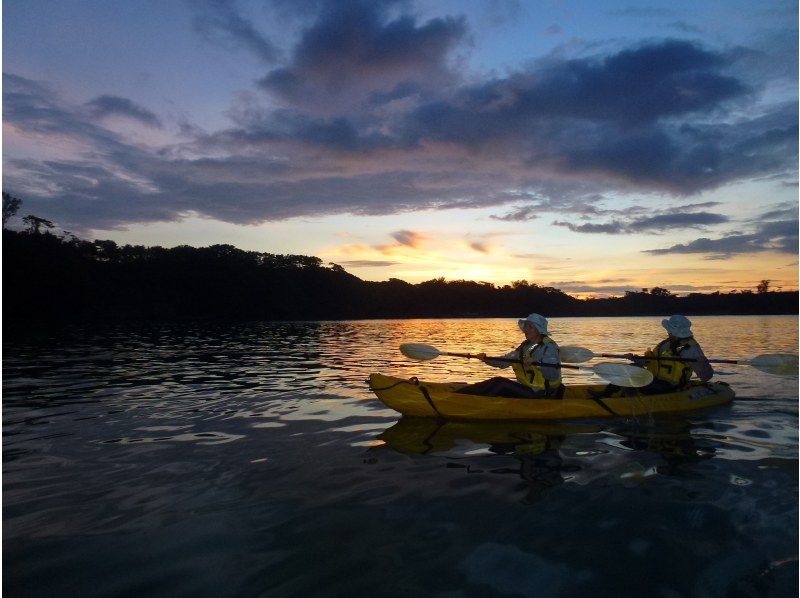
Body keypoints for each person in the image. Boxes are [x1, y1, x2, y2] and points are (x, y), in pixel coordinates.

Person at [595, 314, 713, 398]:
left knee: (632, 380)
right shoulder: (666, 344)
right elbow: (651, 362)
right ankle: (607, 395)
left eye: (669, 330)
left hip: (671, 386)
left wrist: (701, 363)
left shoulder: (692, 349)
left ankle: (624, 401)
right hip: (655, 379)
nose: (668, 332)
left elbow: (706, 376)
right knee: (630, 369)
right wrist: (636, 359)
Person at [459, 313, 563, 399]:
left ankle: (475, 404)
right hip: (528, 388)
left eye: (530, 326)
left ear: (539, 330)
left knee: (501, 384)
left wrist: (538, 364)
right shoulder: (525, 346)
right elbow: (504, 362)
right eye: (525, 326)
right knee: (496, 380)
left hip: (543, 393)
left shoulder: (549, 348)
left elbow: (553, 375)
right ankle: (458, 396)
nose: (526, 329)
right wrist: (486, 359)